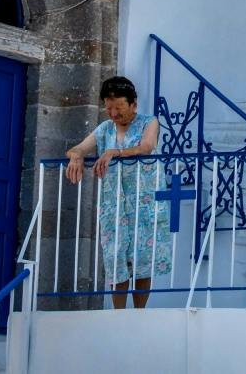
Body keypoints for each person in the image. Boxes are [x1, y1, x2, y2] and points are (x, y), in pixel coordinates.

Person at [64, 75, 172, 308]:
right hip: (114, 204)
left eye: (119, 108)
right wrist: (76, 157)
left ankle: (139, 313)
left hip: (144, 203)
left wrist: (115, 152)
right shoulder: (105, 129)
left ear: (133, 104)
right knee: (115, 259)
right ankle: (118, 315)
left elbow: (147, 147)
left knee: (143, 259)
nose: (113, 113)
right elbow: (78, 148)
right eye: (109, 108)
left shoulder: (149, 122)